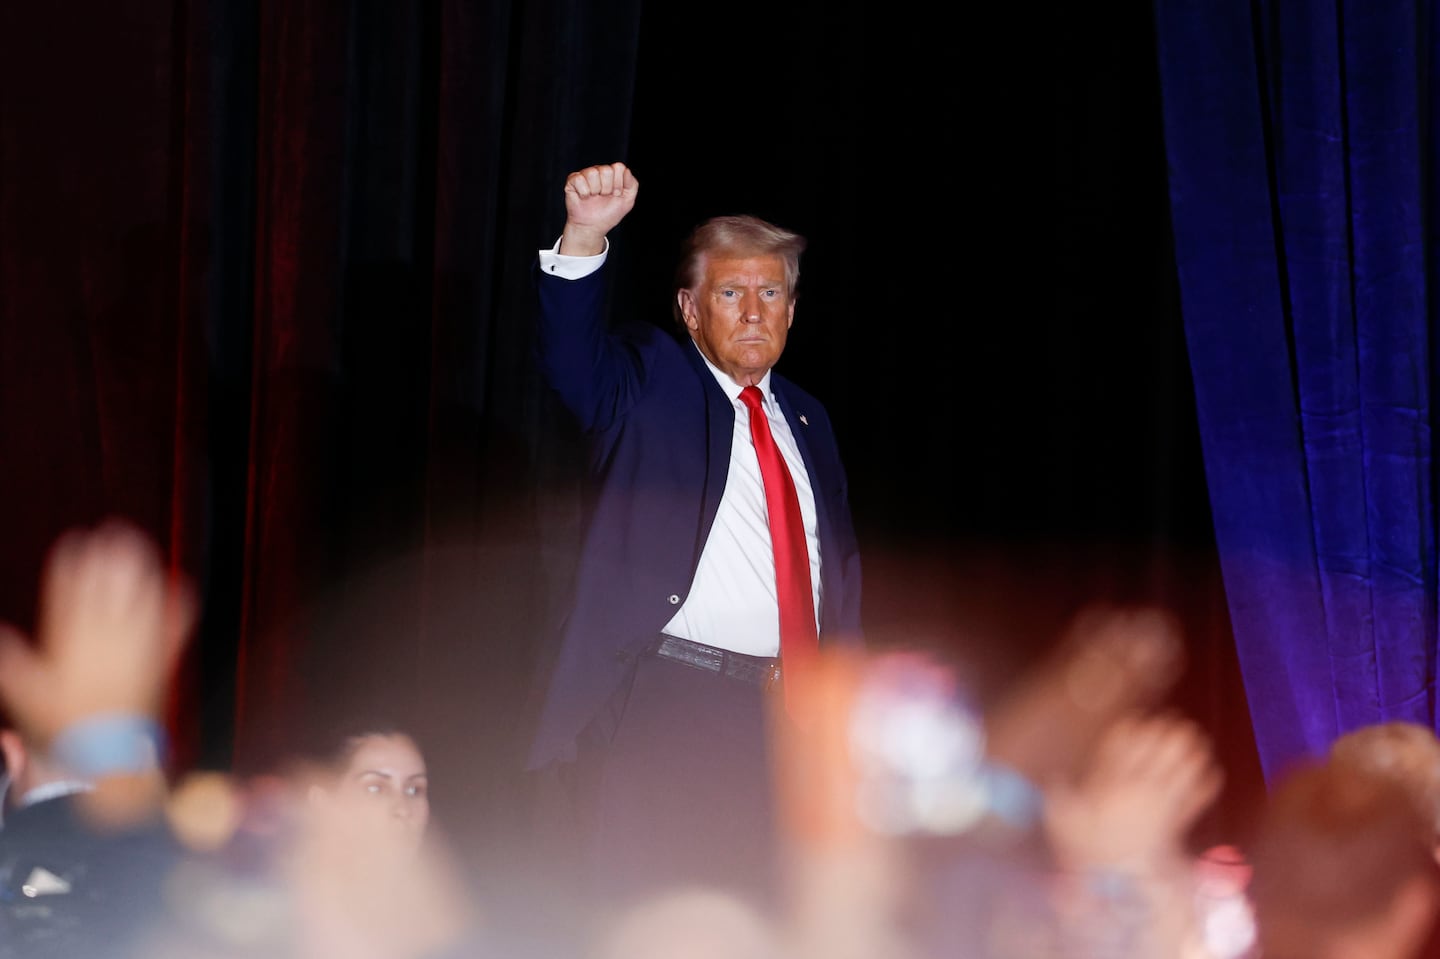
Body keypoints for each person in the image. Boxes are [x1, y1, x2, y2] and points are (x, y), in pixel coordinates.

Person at [524, 161, 864, 929]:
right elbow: (573, 367)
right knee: (661, 920)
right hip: (675, 704)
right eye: (731, 292)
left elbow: (835, 574)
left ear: (792, 307)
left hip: (792, 722)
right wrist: (584, 236)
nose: (752, 312)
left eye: (770, 292)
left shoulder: (808, 418)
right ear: (690, 307)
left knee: (775, 922)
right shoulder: (650, 382)